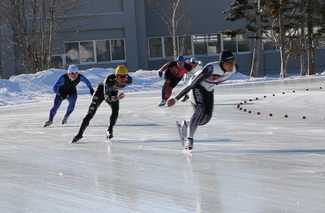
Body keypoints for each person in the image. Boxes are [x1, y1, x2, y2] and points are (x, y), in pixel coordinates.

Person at [166, 50, 238, 150]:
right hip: (197, 86)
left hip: (209, 90)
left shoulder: (235, 69)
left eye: (233, 62)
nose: (232, 65)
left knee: (205, 120)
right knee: (199, 109)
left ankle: (186, 124)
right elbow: (192, 84)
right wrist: (176, 98)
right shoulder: (210, 68)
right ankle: (189, 140)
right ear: (222, 63)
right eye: (229, 63)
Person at [71, 65, 132, 143]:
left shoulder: (129, 80)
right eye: (120, 76)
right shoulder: (109, 80)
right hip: (100, 93)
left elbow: (114, 90)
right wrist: (116, 97)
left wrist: (115, 95)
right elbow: (107, 97)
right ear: (116, 76)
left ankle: (110, 129)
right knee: (90, 113)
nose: (123, 79)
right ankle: (79, 134)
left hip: (113, 92)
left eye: (125, 76)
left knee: (115, 110)